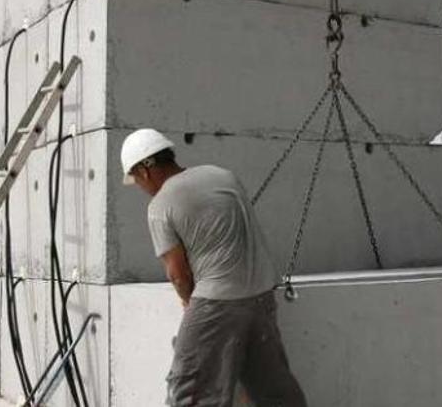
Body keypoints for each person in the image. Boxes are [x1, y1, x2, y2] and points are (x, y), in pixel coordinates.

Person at [120, 128, 307, 407]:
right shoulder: (221, 175)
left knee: (191, 391)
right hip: (262, 296)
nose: (140, 187)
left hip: (216, 302)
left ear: (145, 171)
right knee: (272, 390)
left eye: (136, 179)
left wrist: (189, 303)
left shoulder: (160, 205)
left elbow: (178, 274)